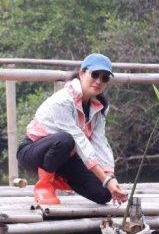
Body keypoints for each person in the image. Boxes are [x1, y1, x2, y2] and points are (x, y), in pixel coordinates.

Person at [18, 53, 128, 205]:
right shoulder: (63, 100)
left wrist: (110, 177)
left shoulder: (100, 107)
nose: (98, 81)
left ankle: (58, 178)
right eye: (95, 74)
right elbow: (79, 140)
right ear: (82, 73)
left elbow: (100, 141)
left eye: (104, 78)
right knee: (65, 140)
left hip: (66, 158)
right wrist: (105, 179)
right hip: (32, 152)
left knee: (104, 194)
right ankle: (44, 186)